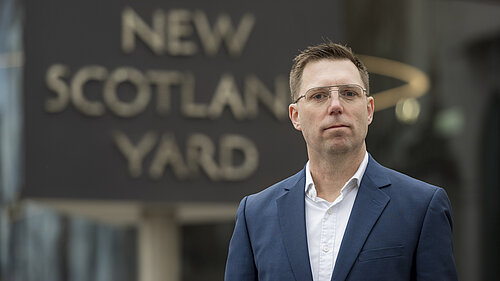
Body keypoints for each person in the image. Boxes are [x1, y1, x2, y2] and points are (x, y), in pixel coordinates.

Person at [224, 42, 458, 281]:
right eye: (319, 96)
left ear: (369, 110)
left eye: (349, 93)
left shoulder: (421, 207)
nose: (335, 106)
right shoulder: (255, 216)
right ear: (296, 116)